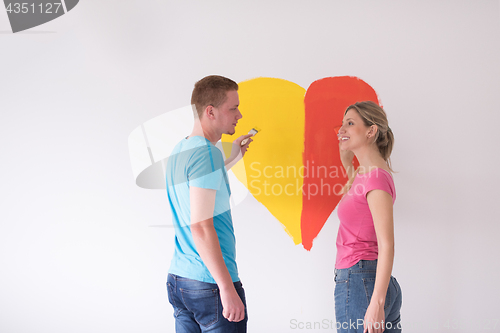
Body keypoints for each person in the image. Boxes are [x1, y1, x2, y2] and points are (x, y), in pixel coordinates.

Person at [165, 75, 253, 333]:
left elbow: (197, 183)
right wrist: (226, 287)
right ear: (210, 111)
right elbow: (201, 226)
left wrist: (232, 156)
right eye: (233, 107)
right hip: (210, 284)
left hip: (180, 281)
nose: (239, 115)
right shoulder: (207, 154)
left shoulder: (180, 150)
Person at [334, 101, 403, 333]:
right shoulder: (367, 175)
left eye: (350, 123)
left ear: (371, 131)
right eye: (342, 124)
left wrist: (377, 303)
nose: (341, 130)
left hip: (361, 281)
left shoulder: (375, 178)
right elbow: (358, 208)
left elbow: (387, 244)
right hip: (367, 281)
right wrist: (347, 166)